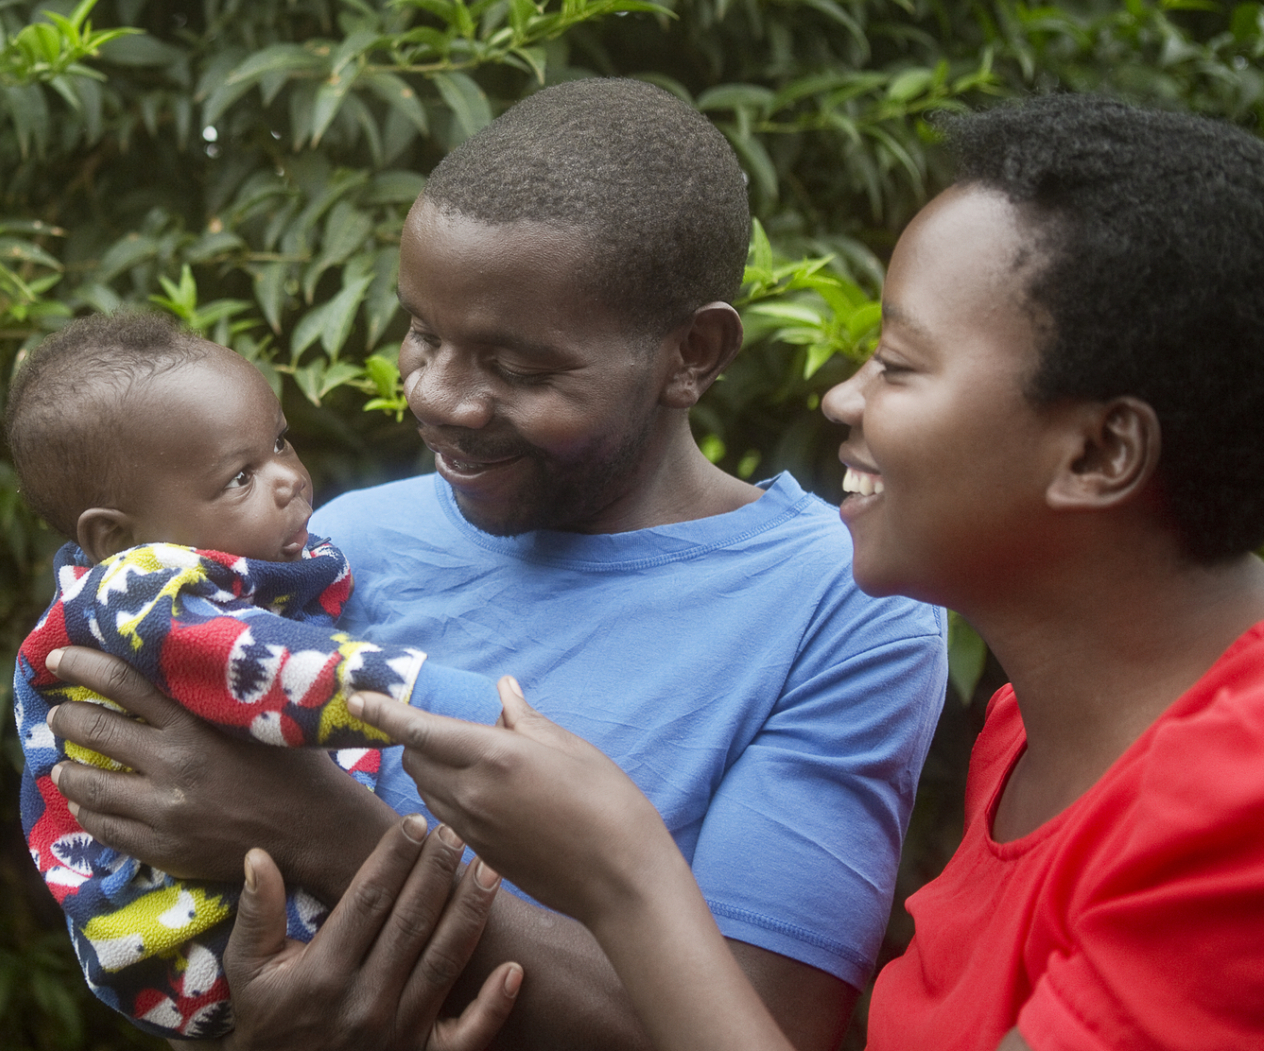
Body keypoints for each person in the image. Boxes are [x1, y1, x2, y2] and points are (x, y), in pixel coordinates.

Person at [44, 77, 949, 1051]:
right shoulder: (329, 549)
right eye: (423, 334)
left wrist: (332, 831)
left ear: (692, 352)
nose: (440, 397)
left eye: (517, 369)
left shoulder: (842, 603)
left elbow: (762, 1030)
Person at [347, 94, 1264, 1051]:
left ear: (1098, 453)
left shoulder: (1236, 809)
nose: (841, 397)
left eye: (900, 367)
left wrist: (623, 876)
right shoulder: (1034, 728)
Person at [8, 313, 512, 1038]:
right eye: (240, 476)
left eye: (279, 441)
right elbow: (277, 674)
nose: (289, 480)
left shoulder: (192, 576)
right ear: (114, 536)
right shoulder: (134, 596)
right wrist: (455, 706)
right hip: (191, 942)